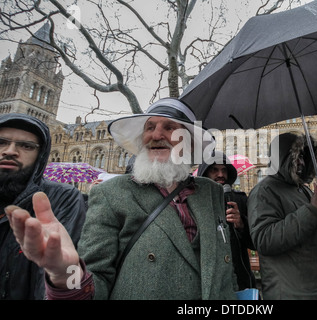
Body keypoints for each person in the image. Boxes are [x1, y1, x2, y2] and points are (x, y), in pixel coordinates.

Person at [5, 98, 237, 300]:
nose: (157, 135)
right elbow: (96, 278)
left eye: (169, 128)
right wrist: (66, 276)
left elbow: (223, 267)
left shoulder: (212, 192)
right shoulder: (111, 193)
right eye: (150, 127)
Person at [0, 113, 86, 300]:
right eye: (1, 142)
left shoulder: (64, 198)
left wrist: (65, 280)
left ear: (41, 154)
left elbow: (74, 277)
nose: (10, 151)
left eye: (26, 146)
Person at [248, 132, 317, 299]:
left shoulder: (301, 188)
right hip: (295, 295)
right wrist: (313, 211)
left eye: (305, 157)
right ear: (281, 158)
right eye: (296, 157)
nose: (302, 163)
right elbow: (264, 239)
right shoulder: (264, 191)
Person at [197, 150, 256, 290]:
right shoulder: (194, 203)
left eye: (224, 170)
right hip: (207, 281)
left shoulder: (240, 200)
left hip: (240, 279)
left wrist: (241, 224)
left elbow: (255, 242)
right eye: (214, 170)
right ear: (205, 173)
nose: (221, 175)